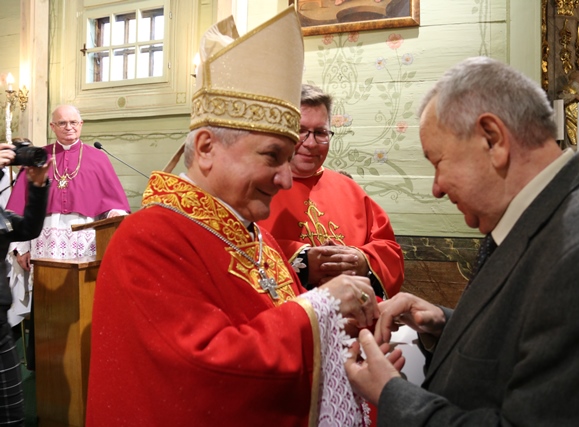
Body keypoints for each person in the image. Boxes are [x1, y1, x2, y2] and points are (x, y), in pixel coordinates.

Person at [86, 9, 378, 426]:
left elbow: (287, 321)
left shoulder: (257, 236)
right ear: (206, 148)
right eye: (272, 157)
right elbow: (205, 373)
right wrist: (324, 305)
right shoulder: (147, 237)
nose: (285, 179)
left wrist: (354, 327)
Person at [344, 57, 579, 426]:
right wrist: (443, 324)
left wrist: (390, 393)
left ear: (493, 139)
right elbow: (530, 338)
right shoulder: (544, 212)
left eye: (438, 162)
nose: (436, 188)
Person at [5, 104, 130, 369]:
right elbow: (20, 206)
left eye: (73, 122)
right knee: (46, 298)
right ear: (53, 127)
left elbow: (115, 202)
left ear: (81, 125)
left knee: (83, 297)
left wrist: (115, 213)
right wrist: (21, 247)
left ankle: (87, 356)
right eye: (62, 123)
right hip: (43, 237)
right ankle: (44, 364)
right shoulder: (39, 157)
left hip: (84, 238)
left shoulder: (98, 158)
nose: (69, 127)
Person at [258, 84, 404, 299]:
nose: (311, 143)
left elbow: (390, 252)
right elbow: (236, 249)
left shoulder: (350, 190)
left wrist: (361, 260)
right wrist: (303, 260)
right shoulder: (256, 187)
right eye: (300, 131)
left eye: (320, 133)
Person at [0, 143, 49, 424]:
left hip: (0, 324)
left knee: (12, 414)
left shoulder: (2, 216)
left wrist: (38, 186)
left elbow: (30, 227)